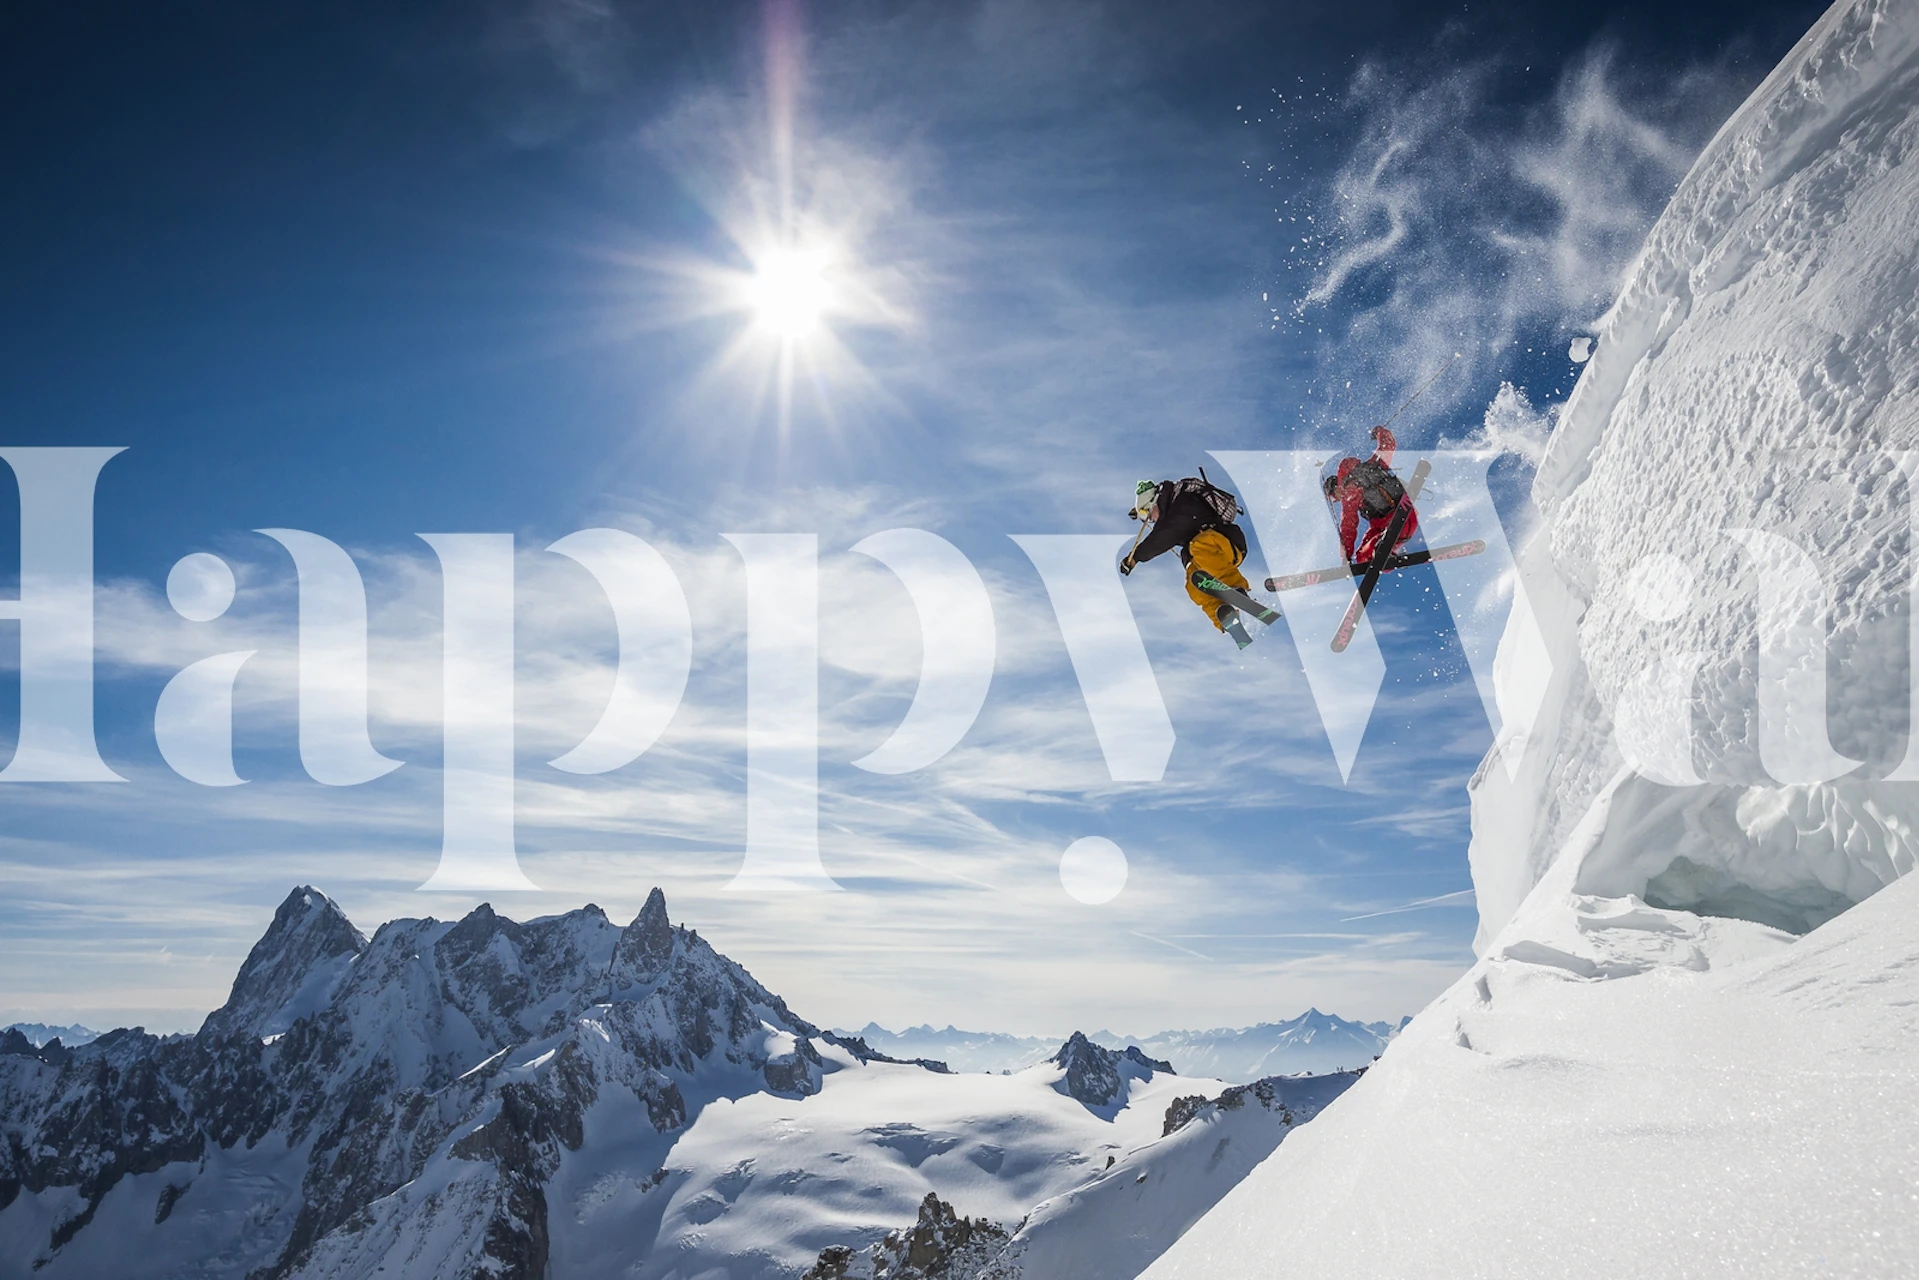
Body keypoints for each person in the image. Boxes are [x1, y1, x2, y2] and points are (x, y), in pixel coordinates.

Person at [1120, 474, 1255, 645]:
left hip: (1224, 543)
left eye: (1147, 514)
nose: (1151, 520)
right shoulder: (1171, 515)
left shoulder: (1183, 502)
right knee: (1193, 581)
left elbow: (1165, 535)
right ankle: (1224, 617)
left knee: (1199, 545)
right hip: (1210, 556)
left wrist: (1136, 557)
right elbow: (1165, 532)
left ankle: (1237, 590)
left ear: (1153, 503)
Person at [1325, 425, 1418, 566]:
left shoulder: (1348, 489)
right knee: (1363, 556)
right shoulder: (1374, 464)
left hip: (1391, 523)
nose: (1337, 500)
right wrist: (1380, 432)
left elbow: (1349, 524)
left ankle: (1380, 552)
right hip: (1408, 516)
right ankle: (1385, 554)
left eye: (1333, 497)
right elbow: (1389, 445)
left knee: (1365, 556)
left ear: (1336, 487)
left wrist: (1346, 556)